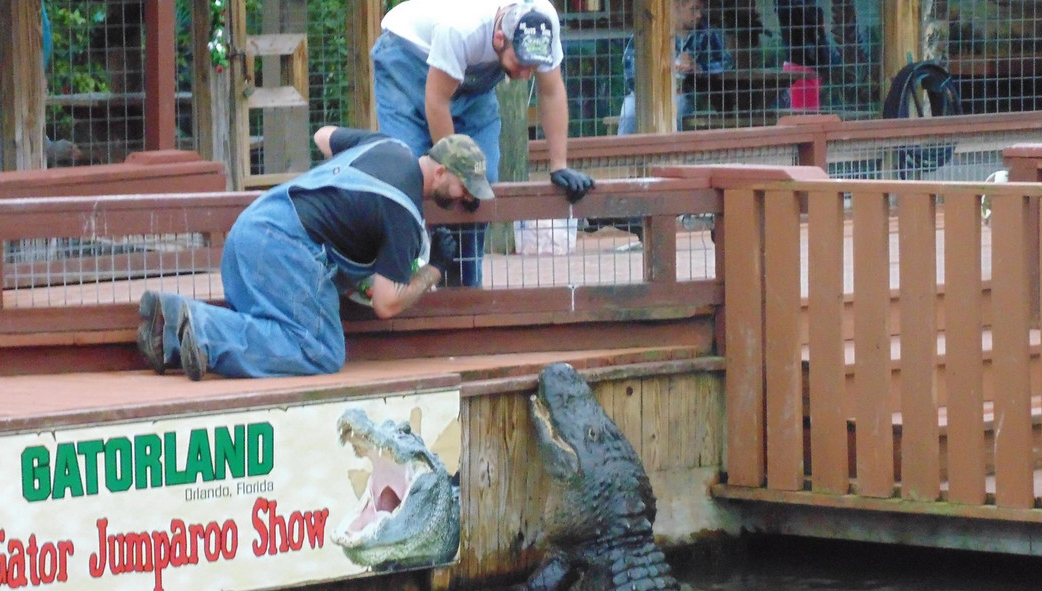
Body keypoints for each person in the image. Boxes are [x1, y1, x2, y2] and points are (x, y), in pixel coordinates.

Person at [135, 128, 494, 380]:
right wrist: (434, 269)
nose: (467, 199)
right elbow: (387, 303)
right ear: (442, 171)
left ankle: (168, 330)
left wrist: (348, 207)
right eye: (465, 187)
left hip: (248, 232)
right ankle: (202, 327)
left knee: (270, 331)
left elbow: (323, 135)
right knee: (320, 350)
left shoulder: (386, 144)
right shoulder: (403, 212)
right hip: (282, 250)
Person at [371, 0, 596, 287]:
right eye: (521, 63)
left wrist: (559, 165)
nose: (526, 74)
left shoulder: (541, 22)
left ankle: (464, 289)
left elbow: (551, 91)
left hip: (472, 82)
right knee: (411, 176)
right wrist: (454, 169)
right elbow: (436, 101)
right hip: (407, 59)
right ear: (500, 39)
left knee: (479, 180)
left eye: (533, 64)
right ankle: (401, 285)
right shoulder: (462, 28)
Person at [0, 0, 79, 170]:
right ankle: (49, 148)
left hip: (11, 81)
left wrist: (37, 71)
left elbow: (41, 38)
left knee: (0, 140)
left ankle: (47, 148)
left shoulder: (26, 7)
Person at [616, 0, 734, 134]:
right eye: (694, 9)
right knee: (629, 111)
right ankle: (626, 154)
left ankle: (670, 152)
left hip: (683, 94)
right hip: (647, 94)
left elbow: (727, 63)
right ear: (677, 7)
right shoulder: (650, 31)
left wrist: (700, 68)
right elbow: (630, 65)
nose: (699, 15)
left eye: (701, 10)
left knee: (676, 108)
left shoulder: (706, 33)